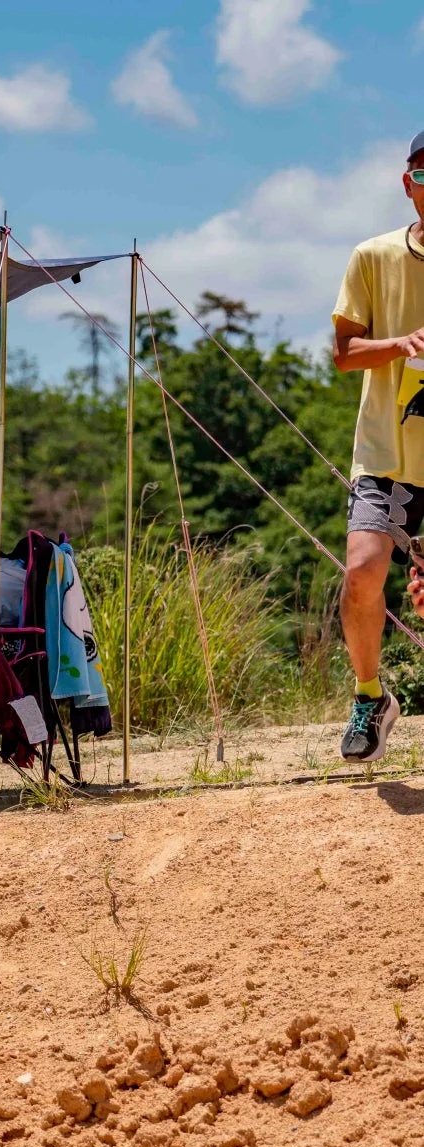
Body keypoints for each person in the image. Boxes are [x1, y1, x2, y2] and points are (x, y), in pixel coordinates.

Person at [334, 129, 424, 762]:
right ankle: (371, 696)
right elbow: (343, 353)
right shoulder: (373, 255)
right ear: (407, 184)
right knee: (363, 573)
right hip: (386, 454)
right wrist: (400, 344)